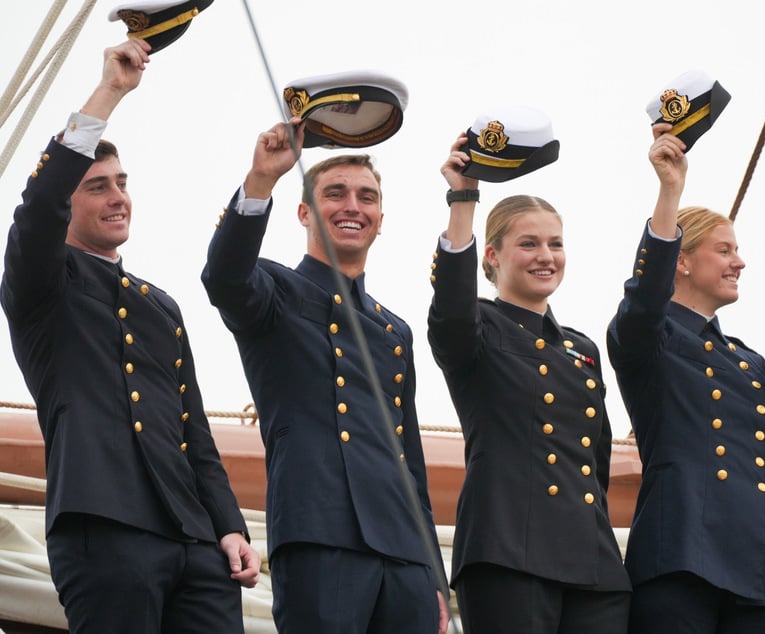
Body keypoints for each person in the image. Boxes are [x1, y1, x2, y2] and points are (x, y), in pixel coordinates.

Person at [0, 39, 259, 633]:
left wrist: (228, 525)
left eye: (121, 183)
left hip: (196, 542)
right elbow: (37, 207)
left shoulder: (159, 307)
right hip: (105, 528)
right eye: (97, 186)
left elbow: (194, 433)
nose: (118, 197)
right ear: (68, 206)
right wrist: (111, 92)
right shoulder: (44, 288)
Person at [201, 118, 449, 634]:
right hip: (321, 534)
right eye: (334, 194)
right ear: (304, 212)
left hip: (404, 552)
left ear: (381, 217)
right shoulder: (275, 290)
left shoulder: (394, 329)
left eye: (367, 197)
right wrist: (261, 179)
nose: (352, 206)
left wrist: (435, 576)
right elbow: (224, 276)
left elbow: (411, 461)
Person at [606, 123, 765, 634]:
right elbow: (643, 302)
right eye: (723, 250)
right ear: (680, 261)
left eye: (736, 249)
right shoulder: (648, 338)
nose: (739, 261)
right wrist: (669, 192)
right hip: (680, 557)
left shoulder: (751, 364)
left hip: (764, 574)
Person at [427, 132, 632, 633]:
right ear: (492, 256)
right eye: (529, 243)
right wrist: (463, 201)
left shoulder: (582, 349)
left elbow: (595, 462)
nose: (546, 256)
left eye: (555, 244)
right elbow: (451, 307)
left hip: (593, 562)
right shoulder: (475, 326)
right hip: (509, 553)